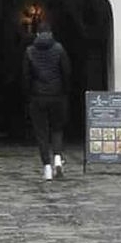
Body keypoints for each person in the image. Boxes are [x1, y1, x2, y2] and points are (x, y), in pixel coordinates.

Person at [23, 20, 72, 180]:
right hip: (57, 95)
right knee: (57, 129)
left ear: (37, 34)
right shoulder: (59, 49)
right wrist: (65, 90)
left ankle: (47, 168)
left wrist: (29, 94)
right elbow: (66, 72)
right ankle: (57, 158)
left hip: (38, 96)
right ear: (51, 33)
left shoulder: (30, 51)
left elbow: (26, 76)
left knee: (41, 133)